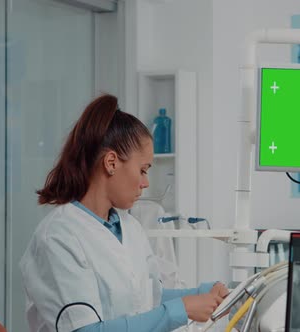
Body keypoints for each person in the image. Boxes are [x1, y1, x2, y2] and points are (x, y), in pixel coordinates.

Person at [19, 94, 228, 332]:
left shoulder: (129, 227)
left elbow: (148, 299)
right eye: (142, 170)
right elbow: (84, 330)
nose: (145, 182)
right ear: (111, 163)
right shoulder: (59, 236)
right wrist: (181, 310)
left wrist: (202, 293)